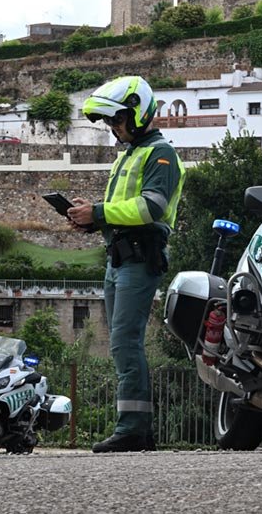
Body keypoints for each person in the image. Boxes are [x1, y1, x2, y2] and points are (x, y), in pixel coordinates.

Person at [68, 76, 185, 453]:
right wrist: (92, 220)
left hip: (139, 257)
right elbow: (123, 213)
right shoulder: (130, 154)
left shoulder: (161, 154)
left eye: (117, 120)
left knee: (124, 342)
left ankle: (132, 429)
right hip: (118, 256)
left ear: (138, 113)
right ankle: (139, 431)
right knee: (121, 344)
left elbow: (150, 207)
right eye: (109, 123)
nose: (113, 128)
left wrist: (98, 213)